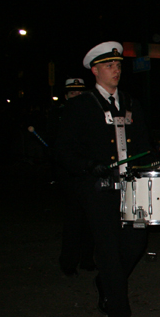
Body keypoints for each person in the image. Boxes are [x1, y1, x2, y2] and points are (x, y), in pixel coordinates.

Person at [55, 42, 152, 317]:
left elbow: (143, 143)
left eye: (119, 66)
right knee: (108, 249)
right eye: (110, 66)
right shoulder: (80, 106)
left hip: (131, 187)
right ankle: (118, 312)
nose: (116, 71)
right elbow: (63, 150)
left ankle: (105, 282)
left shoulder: (131, 103)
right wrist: (87, 165)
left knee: (136, 243)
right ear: (95, 71)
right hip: (98, 189)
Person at [50, 77, 96, 276]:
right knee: (74, 220)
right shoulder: (59, 114)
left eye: (80, 92)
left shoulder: (91, 113)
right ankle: (68, 262)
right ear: (66, 95)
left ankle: (87, 259)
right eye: (73, 93)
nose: (77, 95)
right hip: (70, 174)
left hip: (89, 173)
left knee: (90, 219)